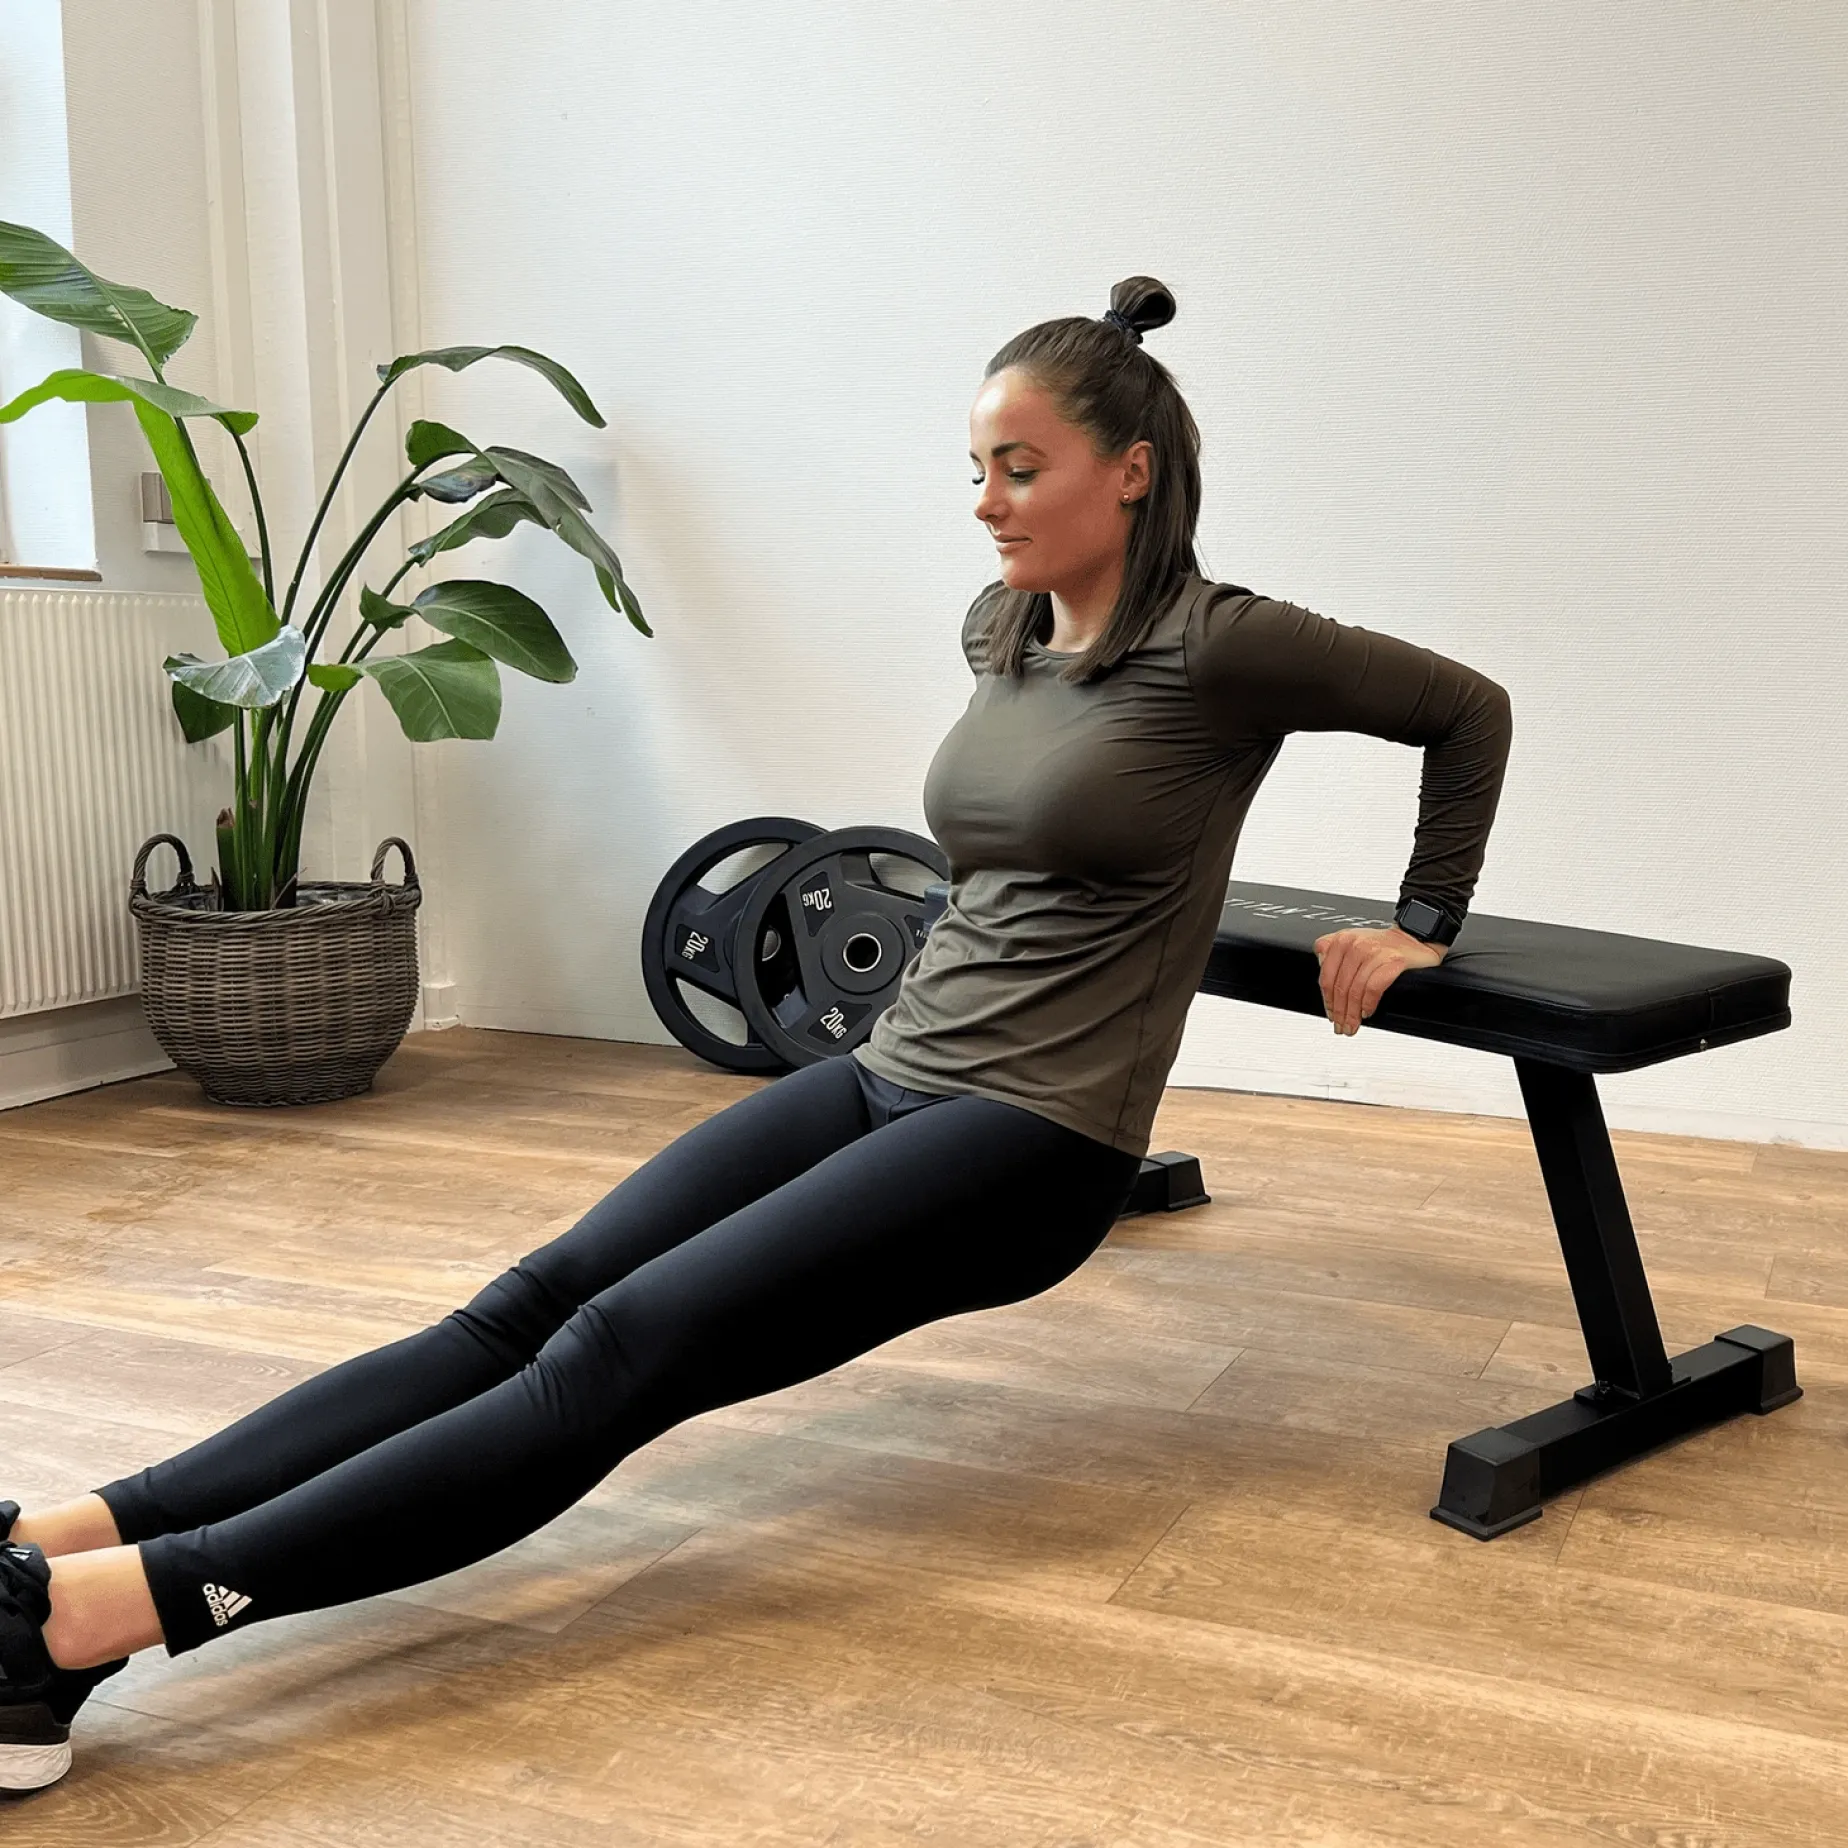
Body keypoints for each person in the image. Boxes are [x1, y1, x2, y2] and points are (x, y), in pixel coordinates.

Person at [0, 274, 1512, 1793]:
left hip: (1035, 1137)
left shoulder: (1224, 645)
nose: (985, 503)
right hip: (892, 1071)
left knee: (617, 1354)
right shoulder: (1004, 629)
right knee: (529, 1302)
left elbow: (1466, 708)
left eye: (1020, 468)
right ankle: (65, 1537)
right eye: (976, 468)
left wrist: (1421, 918)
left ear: (1131, 471)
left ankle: (72, 1633)